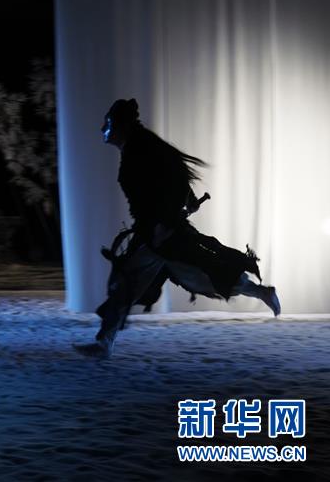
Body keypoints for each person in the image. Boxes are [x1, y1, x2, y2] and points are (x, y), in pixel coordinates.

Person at [74, 99, 280, 358]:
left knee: (189, 276)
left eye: (109, 124)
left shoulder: (140, 151)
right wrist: (184, 203)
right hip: (153, 234)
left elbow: (170, 179)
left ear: (122, 126)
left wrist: (168, 219)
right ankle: (105, 340)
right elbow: (170, 176)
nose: (103, 129)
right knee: (150, 280)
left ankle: (105, 341)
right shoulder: (137, 149)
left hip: (164, 234)